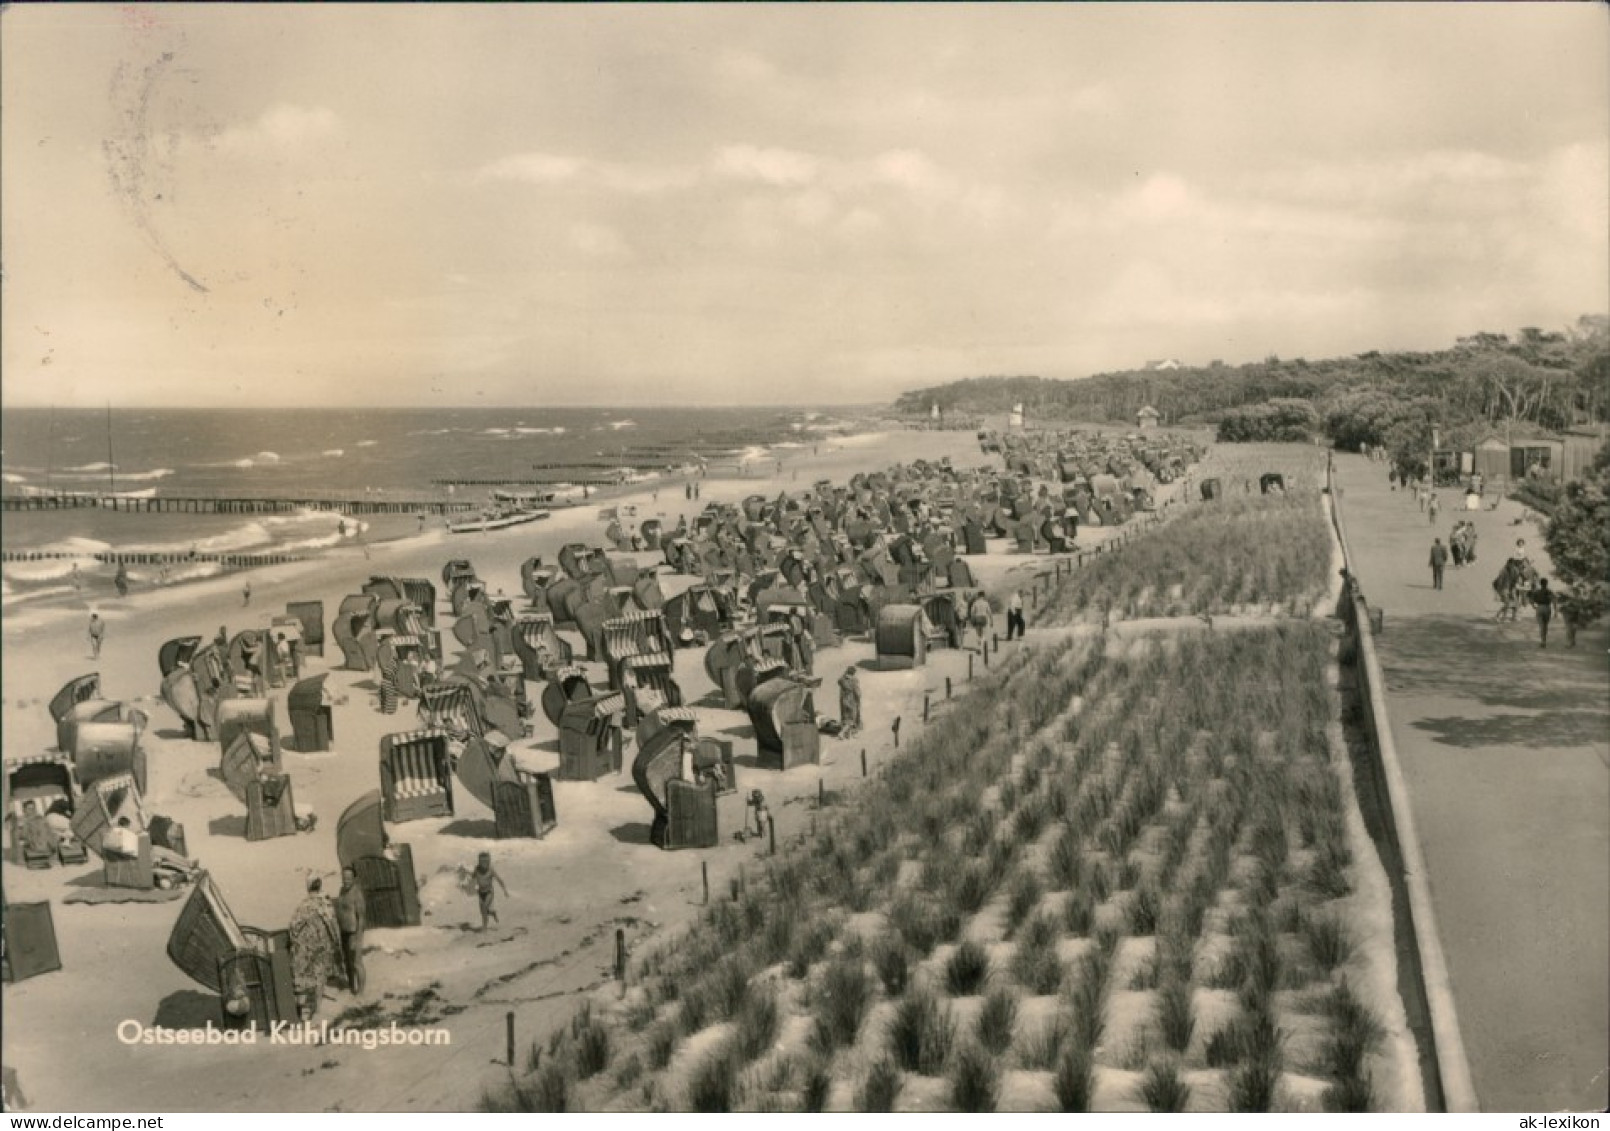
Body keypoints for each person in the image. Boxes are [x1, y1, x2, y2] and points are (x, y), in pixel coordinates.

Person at [288, 876, 341, 1020]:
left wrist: (296, 943)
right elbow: (333, 926)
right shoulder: (325, 904)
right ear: (320, 886)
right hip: (323, 944)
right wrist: (336, 943)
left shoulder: (302, 905)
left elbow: (293, 927)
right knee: (320, 975)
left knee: (303, 976)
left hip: (304, 946)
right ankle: (317, 1009)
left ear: (308, 887)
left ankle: (303, 1011)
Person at [336, 866, 367, 995]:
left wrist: (358, 938)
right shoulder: (342, 891)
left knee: (357, 963)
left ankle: (361, 992)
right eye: (344, 877)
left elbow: (361, 918)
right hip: (344, 932)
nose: (346, 880)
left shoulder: (357, 894)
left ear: (354, 879)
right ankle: (352, 987)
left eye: (349, 878)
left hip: (354, 933)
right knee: (347, 962)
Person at [470, 852, 508, 931]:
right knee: (483, 911)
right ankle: (492, 912)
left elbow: (499, 880)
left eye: (486, 862)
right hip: (480, 893)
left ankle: (484, 928)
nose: (484, 864)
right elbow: (472, 878)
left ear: (489, 862)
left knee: (484, 908)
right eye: (482, 862)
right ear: (479, 862)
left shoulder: (491, 870)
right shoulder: (477, 869)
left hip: (489, 892)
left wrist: (504, 890)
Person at [1529, 577, 1555, 649]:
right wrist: (1555, 611)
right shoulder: (1549, 591)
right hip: (1547, 608)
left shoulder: (1537, 592)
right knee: (1545, 625)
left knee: (1541, 626)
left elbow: (1531, 600)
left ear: (1540, 584)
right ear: (1547, 583)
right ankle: (1544, 641)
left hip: (1539, 608)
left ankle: (1542, 641)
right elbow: (1553, 600)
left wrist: (1533, 606)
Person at [837, 666, 862, 737]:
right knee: (851, 718)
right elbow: (857, 692)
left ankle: (848, 734)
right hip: (851, 700)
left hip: (843, 700)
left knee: (845, 717)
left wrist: (844, 674)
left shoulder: (842, 680)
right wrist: (858, 698)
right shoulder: (854, 680)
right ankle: (841, 733)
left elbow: (839, 681)